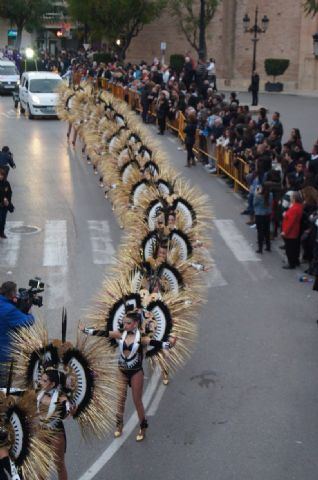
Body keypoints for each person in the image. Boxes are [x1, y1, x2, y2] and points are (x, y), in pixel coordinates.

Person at [82, 310, 175, 441]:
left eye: (128, 323)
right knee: (120, 400)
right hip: (121, 370)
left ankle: (143, 426)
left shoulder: (141, 338)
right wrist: (86, 330)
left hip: (136, 371)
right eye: (124, 322)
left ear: (136, 323)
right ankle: (119, 424)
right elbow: (104, 333)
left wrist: (169, 344)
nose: (125, 325)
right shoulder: (120, 334)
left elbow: (155, 343)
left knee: (137, 401)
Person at [37, 368, 76, 480]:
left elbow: (68, 412)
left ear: (53, 383)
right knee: (42, 465)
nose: (41, 382)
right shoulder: (39, 393)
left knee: (59, 465)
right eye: (41, 379)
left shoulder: (61, 397)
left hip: (56, 433)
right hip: (42, 432)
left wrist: (71, 410)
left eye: (44, 381)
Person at [0, 281, 34, 386]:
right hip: (4, 356)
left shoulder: (6, 306)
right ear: (12, 293)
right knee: (3, 389)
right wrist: (28, 311)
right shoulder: (9, 310)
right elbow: (28, 321)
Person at [281, 192, 303, 269]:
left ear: (294, 198)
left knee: (289, 248)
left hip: (291, 232)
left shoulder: (295, 208)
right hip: (294, 230)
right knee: (294, 247)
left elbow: (291, 222)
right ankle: (295, 261)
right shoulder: (298, 206)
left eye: (291, 197)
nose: (290, 198)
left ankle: (291, 263)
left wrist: (285, 231)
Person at [253, 184, 273, 253]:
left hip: (259, 215)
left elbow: (254, 204)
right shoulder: (270, 195)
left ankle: (260, 248)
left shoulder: (258, 196)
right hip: (267, 214)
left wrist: (256, 193)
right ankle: (268, 246)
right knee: (266, 230)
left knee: (260, 232)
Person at [0, 167, 12, 239]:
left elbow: (10, 193)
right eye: (0, 174)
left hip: (5, 206)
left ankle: (2, 233)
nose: (1, 176)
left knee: (3, 220)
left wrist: (8, 201)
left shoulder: (6, 183)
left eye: (2, 175)